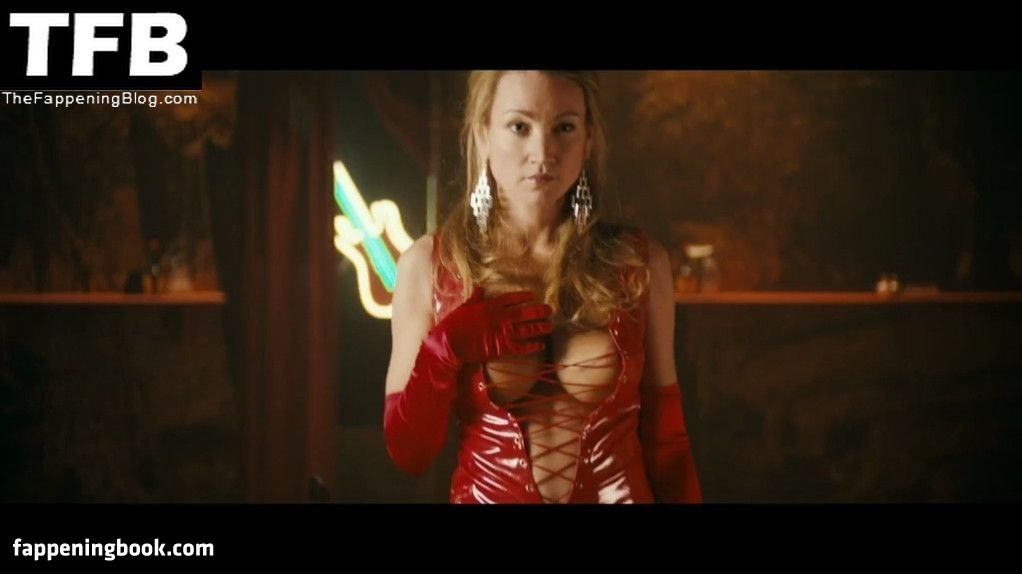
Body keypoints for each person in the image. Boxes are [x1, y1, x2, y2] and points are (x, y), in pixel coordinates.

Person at [383, 70, 702, 503]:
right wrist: (446, 348)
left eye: (564, 128)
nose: (543, 152)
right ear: (482, 134)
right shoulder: (430, 266)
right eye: (519, 126)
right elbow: (409, 453)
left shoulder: (639, 264)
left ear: (588, 140)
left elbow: (668, 445)